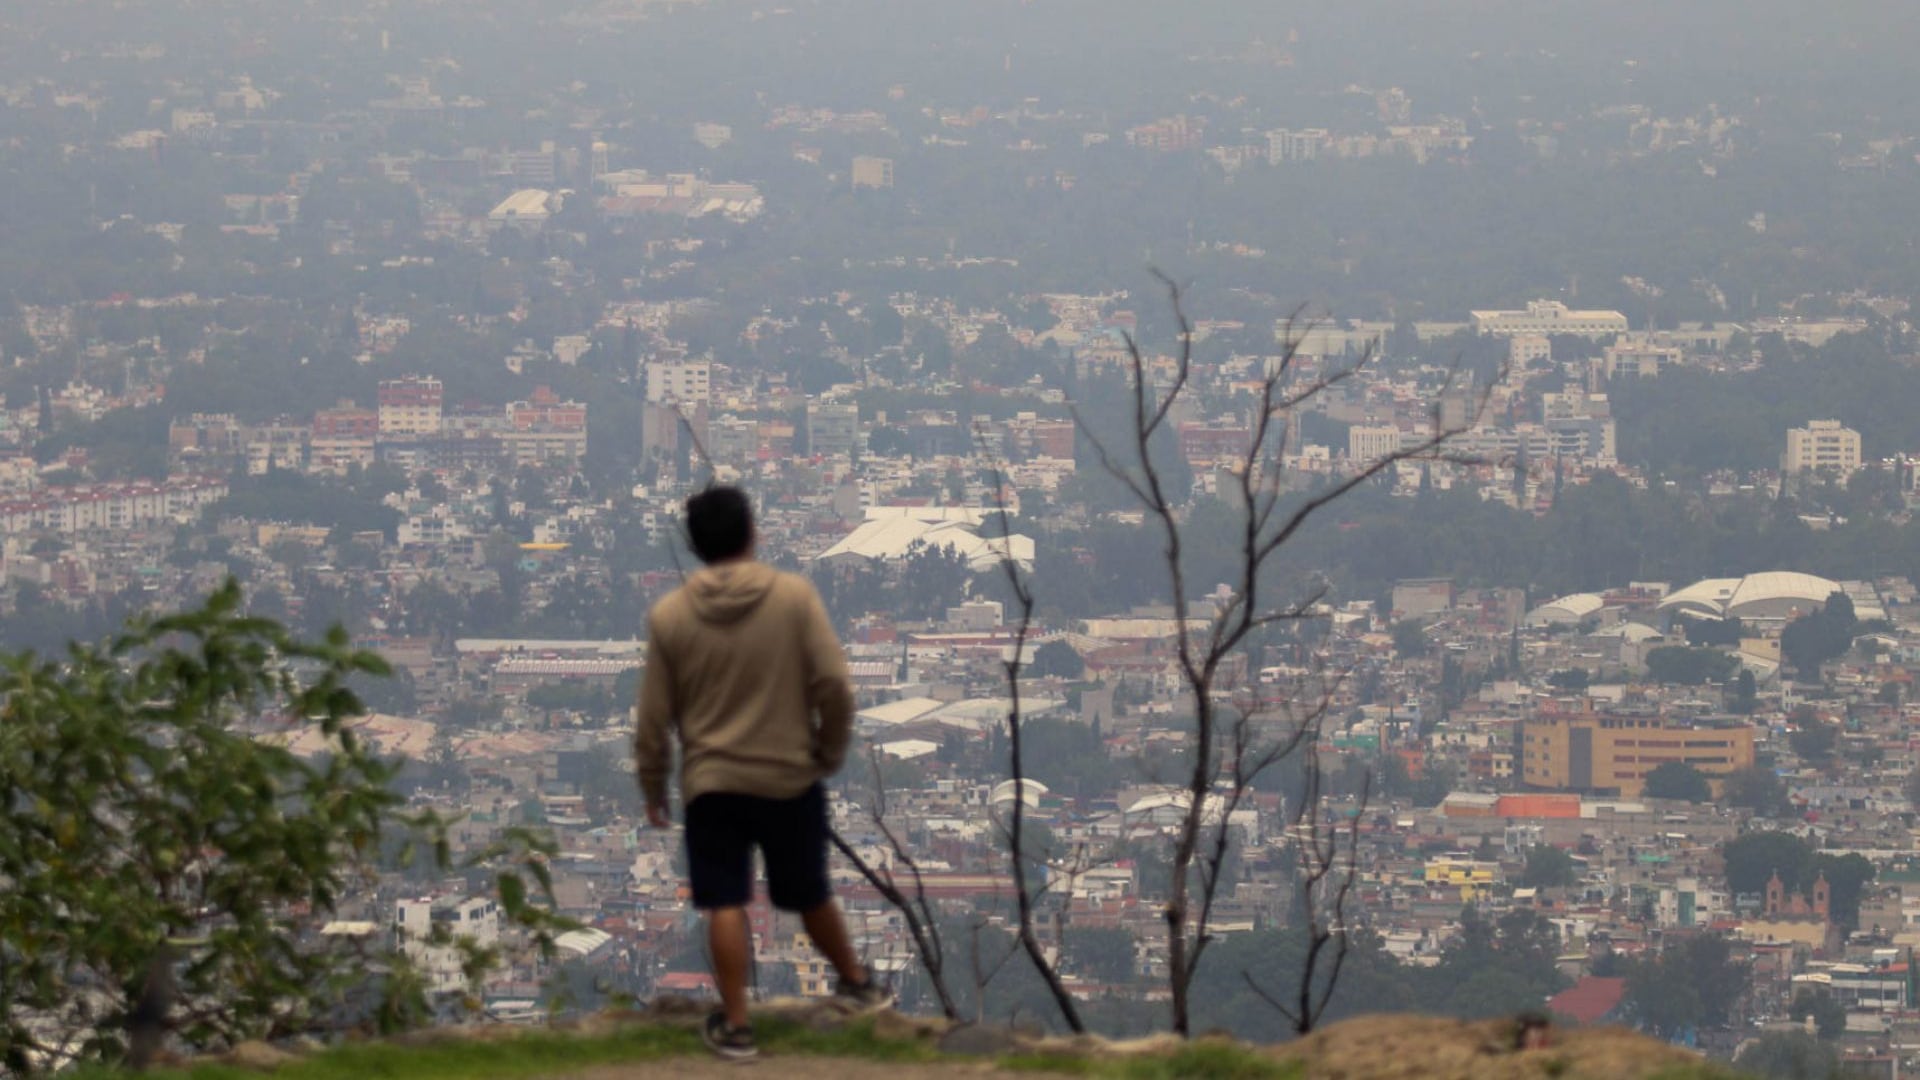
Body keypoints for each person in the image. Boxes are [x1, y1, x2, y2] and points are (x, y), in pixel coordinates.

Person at [636, 486, 890, 1062]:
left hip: (713, 783)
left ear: (696, 546)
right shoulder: (792, 598)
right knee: (808, 891)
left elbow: (652, 718)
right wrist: (827, 751)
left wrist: (654, 785)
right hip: (789, 775)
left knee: (723, 899)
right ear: (753, 533)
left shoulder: (671, 617)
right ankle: (855, 982)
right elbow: (835, 686)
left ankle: (738, 1025)